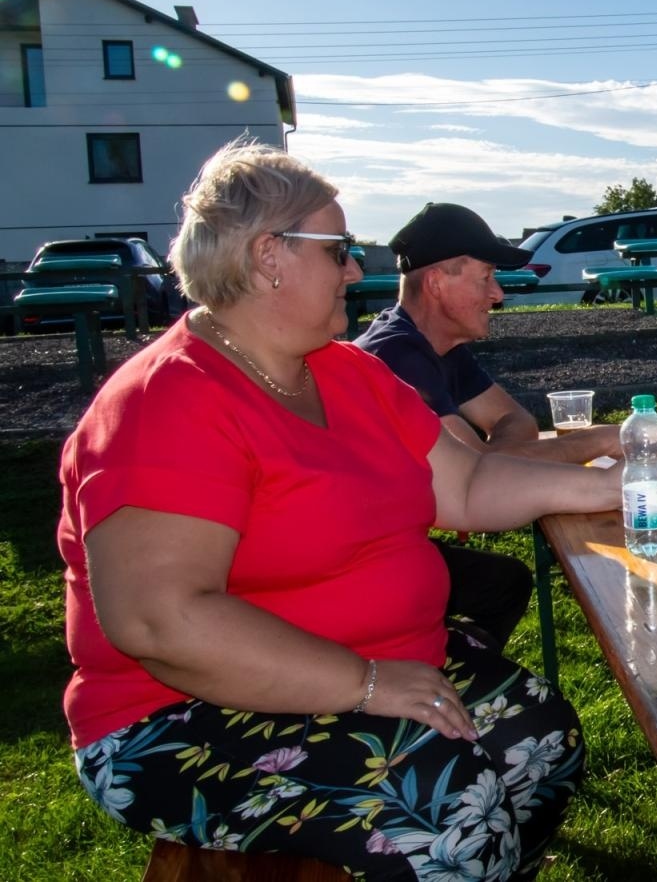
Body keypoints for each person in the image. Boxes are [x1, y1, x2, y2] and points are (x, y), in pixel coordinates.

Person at [60, 141, 619, 879]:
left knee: (543, 735)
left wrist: (621, 484)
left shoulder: (346, 370)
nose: (357, 271)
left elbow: (467, 485)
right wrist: (366, 683)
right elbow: (160, 623)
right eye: (340, 249)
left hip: (365, 665)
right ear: (268, 257)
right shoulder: (167, 401)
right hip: (177, 709)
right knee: (451, 806)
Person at [356, 202, 626, 650]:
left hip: (391, 544)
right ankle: (441, 675)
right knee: (504, 584)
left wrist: (495, 459)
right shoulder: (396, 357)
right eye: (485, 278)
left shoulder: (435, 346)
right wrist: (600, 439)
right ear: (437, 283)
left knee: (505, 583)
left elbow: (511, 420)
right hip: (363, 563)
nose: (498, 294)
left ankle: (454, 665)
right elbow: (478, 474)